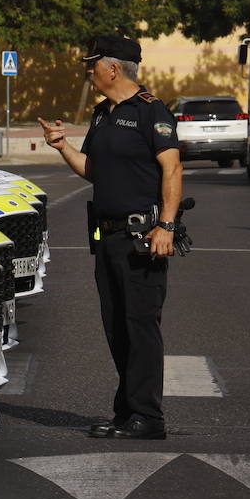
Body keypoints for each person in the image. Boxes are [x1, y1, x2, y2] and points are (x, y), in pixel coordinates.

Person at [39, 35, 182, 440]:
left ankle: (147, 417)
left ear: (113, 68)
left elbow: (172, 169)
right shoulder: (103, 114)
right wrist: (61, 145)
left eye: (93, 63)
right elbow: (93, 170)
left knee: (140, 326)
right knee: (116, 326)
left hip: (143, 236)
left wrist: (166, 226)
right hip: (109, 237)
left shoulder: (151, 112)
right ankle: (127, 412)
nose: (88, 70)